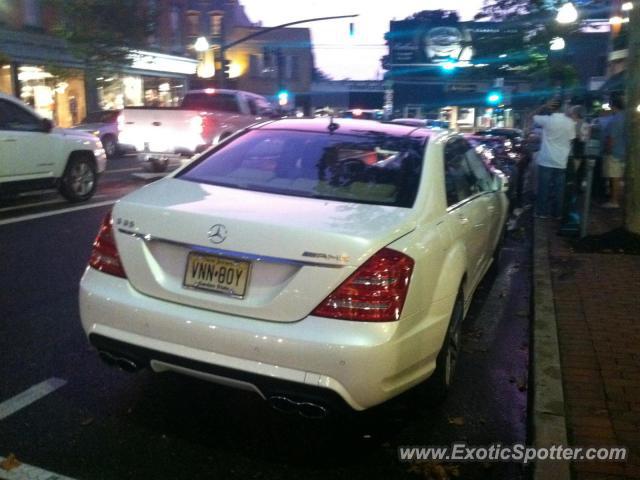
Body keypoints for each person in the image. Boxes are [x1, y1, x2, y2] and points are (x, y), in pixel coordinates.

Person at [529, 99, 576, 219]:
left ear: (551, 108)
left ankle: (542, 212)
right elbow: (571, 140)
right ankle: (557, 213)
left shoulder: (547, 120)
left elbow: (530, 116)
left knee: (543, 188)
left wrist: (543, 105)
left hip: (546, 159)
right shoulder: (570, 122)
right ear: (562, 108)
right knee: (559, 189)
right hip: (561, 160)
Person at [602, 95, 627, 208]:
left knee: (615, 177)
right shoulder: (627, 117)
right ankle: (619, 199)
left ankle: (614, 201)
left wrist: (607, 150)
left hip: (615, 152)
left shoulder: (616, 119)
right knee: (620, 177)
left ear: (613, 105)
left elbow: (611, 139)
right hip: (625, 151)